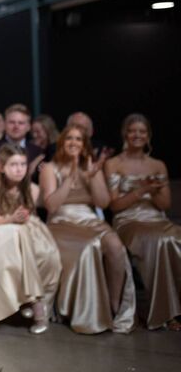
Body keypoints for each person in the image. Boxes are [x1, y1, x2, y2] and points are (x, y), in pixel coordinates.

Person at [41, 125, 136, 334]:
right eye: (69, 139)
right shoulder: (50, 167)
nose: (73, 143)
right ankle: (87, 312)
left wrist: (92, 176)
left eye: (78, 139)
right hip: (61, 222)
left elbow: (102, 203)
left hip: (90, 219)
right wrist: (70, 176)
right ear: (62, 143)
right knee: (88, 247)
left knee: (116, 246)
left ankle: (113, 304)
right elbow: (51, 206)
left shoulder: (92, 168)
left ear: (84, 145)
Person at [0, 145, 61, 333]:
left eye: (23, 164)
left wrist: (19, 219)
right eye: (14, 164)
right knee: (14, 238)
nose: (19, 169)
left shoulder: (32, 188)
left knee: (41, 249)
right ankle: (34, 301)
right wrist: (12, 219)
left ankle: (29, 299)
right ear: (1, 167)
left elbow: (25, 217)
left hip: (23, 229)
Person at [104, 114, 180, 331]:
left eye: (142, 131)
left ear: (148, 136)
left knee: (175, 238)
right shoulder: (113, 164)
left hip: (156, 218)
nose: (137, 135)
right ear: (125, 134)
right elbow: (115, 206)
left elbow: (165, 204)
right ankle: (165, 313)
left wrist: (154, 190)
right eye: (132, 131)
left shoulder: (157, 165)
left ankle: (176, 309)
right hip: (128, 220)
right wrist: (143, 189)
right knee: (159, 241)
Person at [0, 104, 43, 179]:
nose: (16, 126)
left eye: (21, 123)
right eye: (12, 122)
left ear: (28, 127)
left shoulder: (37, 151)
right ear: (4, 124)